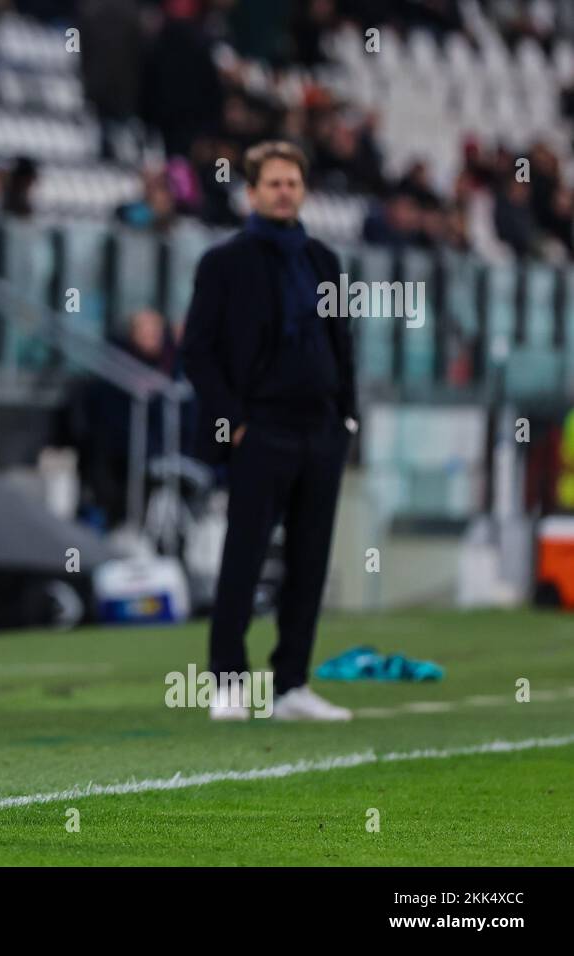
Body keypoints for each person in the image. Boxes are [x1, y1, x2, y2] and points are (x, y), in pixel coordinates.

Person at [180, 141, 359, 721]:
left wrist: (347, 417)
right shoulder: (224, 263)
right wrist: (233, 421)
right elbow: (198, 353)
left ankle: (291, 686)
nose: (286, 192)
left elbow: (342, 345)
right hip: (261, 430)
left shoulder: (324, 261)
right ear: (251, 191)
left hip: (320, 431)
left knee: (310, 561)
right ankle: (228, 683)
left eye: (294, 183)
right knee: (245, 556)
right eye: (274, 183)